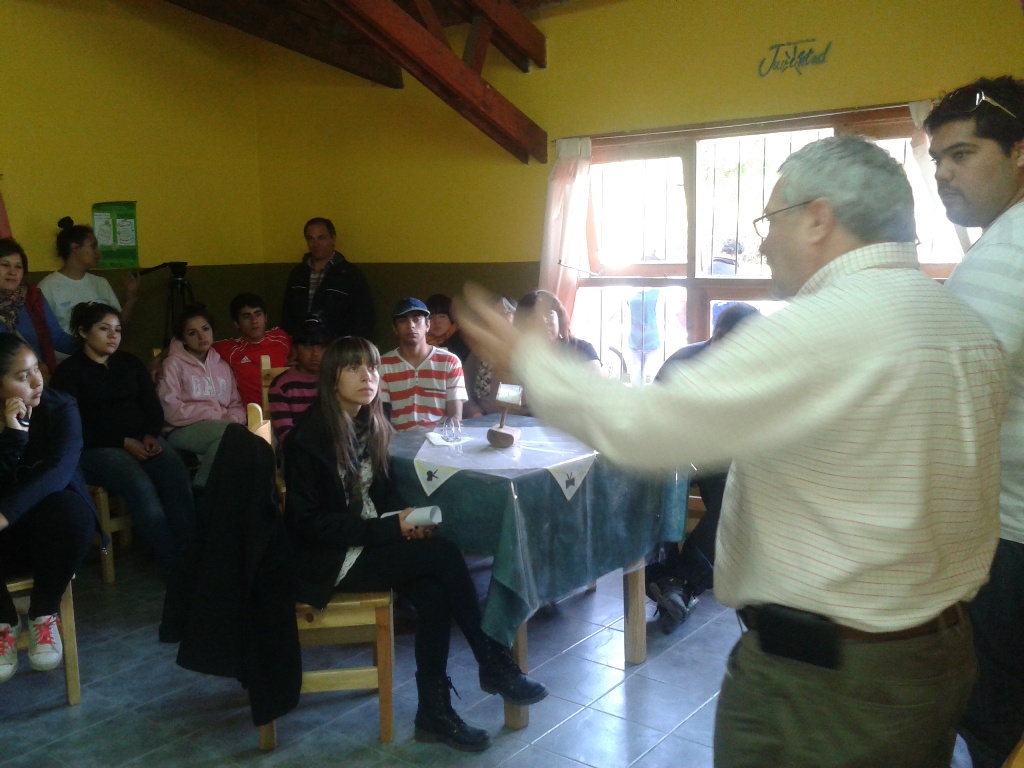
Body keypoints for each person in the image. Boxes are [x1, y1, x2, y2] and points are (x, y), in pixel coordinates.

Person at [458, 135, 1007, 768]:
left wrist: (528, 360)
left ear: (819, 218)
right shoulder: (961, 322)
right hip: (932, 654)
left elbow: (645, 427)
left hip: (832, 681)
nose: (762, 241)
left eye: (770, 220)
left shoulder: (825, 327)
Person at [284, 336, 547, 752]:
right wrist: (393, 530)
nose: (367, 377)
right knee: (443, 556)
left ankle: (434, 712)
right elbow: (308, 526)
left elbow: (382, 498)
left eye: (372, 368)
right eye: (354, 368)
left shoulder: (370, 422)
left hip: (366, 542)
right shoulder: (307, 440)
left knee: (434, 594)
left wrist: (407, 522)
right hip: (327, 560)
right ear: (331, 377)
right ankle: (490, 658)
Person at [924, 75, 1024, 768]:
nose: (943, 174)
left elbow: (940, 405)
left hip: (1013, 542)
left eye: (962, 154)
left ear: (1021, 153)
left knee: (994, 727)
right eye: (935, 160)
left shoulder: (1007, 255)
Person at [51, 303, 196, 575]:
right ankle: (173, 564)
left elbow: (152, 406)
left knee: (175, 473)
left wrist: (151, 434)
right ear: (83, 332)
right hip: (96, 449)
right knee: (138, 482)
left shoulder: (129, 363)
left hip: (142, 439)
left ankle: (192, 553)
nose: (113, 336)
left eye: (117, 330)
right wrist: (122, 441)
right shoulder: (69, 373)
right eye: (104, 329)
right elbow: (72, 427)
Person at [645, 302, 761, 633]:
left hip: (711, 456)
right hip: (666, 456)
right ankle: (672, 575)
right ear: (720, 337)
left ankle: (677, 581)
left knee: (737, 492)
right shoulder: (683, 363)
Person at [0, 334, 97, 683]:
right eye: (22, 377)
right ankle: (3, 622)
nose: (38, 381)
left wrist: (6, 512)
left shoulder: (61, 407)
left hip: (52, 540)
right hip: (6, 546)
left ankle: (44, 612)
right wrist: (12, 439)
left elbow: (59, 471)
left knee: (70, 510)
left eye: (36, 370)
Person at [157, 305, 245, 487]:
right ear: (183, 339)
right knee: (235, 436)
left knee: (224, 443)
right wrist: (216, 416)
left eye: (205, 329)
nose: (201, 336)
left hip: (222, 428)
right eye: (192, 333)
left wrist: (234, 418)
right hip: (181, 429)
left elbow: (236, 403)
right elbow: (169, 410)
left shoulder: (222, 365)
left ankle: (200, 490)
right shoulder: (173, 364)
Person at [38, 217, 140, 351]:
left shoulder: (101, 283)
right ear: (75, 247)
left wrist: (131, 297)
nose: (98, 252)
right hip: (65, 363)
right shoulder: (47, 287)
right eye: (93, 246)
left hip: (102, 360)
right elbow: (43, 334)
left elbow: (118, 326)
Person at [280, 217, 374, 342]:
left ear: (333, 238)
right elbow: (287, 316)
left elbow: (364, 319)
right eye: (310, 239)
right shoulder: (298, 273)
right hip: (302, 349)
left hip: (337, 350)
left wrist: (350, 352)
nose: (316, 244)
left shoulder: (350, 275)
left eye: (321, 238)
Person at [379, 298, 466, 430]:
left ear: (427, 325)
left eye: (417, 319)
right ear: (395, 329)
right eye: (403, 321)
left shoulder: (450, 362)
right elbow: (381, 417)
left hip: (438, 441)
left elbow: (455, 417)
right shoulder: (382, 364)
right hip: (398, 441)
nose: (411, 325)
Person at [0, 238, 75, 374]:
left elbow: (57, 338)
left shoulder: (32, 297)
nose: (13, 272)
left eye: (18, 266)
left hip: (36, 383)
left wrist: (92, 343)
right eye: (5, 265)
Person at [211, 292, 292, 407]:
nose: (254, 321)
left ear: (266, 318)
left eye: (258, 314)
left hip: (287, 411)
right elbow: (196, 344)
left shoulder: (281, 338)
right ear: (236, 323)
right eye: (246, 316)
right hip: (252, 417)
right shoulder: (231, 350)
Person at [267, 316, 330, 446]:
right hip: (298, 451)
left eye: (321, 347)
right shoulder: (281, 386)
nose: (315, 354)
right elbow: (285, 436)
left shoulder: (335, 380)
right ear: (295, 350)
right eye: (307, 346)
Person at [463, 295, 516, 418]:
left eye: (505, 313)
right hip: (478, 418)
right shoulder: (478, 351)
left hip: (510, 420)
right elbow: (465, 385)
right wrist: (474, 412)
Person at [425, 293, 470, 363]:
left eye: (442, 316)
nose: (436, 321)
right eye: (431, 317)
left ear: (451, 318)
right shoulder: (419, 342)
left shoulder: (464, 340)